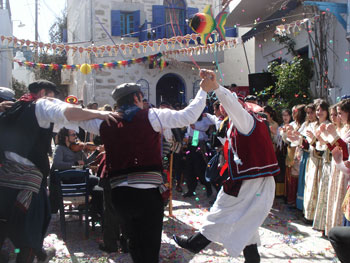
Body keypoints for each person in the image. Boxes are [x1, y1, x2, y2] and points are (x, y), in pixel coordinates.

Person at [77, 82, 209, 263]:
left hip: (120, 194)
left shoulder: (104, 121)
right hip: (147, 194)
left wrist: (96, 112)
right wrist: (204, 90)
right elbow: (189, 115)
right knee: (150, 246)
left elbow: (74, 117)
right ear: (137, 97)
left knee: (134, 243)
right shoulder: (152, 115)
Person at [0, 80, 116, 263]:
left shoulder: (11, 108)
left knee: (7, 229)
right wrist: (101, 113)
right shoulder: (41, 103)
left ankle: (34, 254)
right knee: (30, 236)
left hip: (4, 185)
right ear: (44, 93)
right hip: (27, 186)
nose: (54, 100)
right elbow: (69, 112)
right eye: (53, 97)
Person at [173, 70, 279, 263]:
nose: (222, 109)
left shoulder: (245, 120)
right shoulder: (243, 122)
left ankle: (196, 243)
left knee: (223, 210)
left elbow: (232, 105)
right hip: (253, 178)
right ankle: (252, 258)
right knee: (247, 222)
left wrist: (216, 87)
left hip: (249, 181)